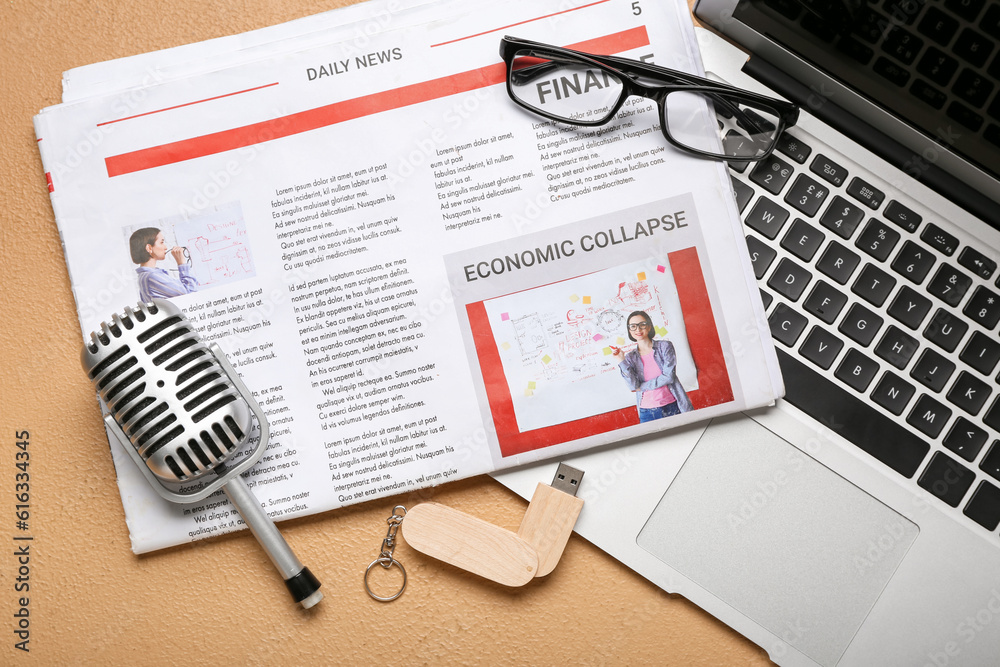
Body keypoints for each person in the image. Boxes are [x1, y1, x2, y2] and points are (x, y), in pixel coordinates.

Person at [612, 310, 692, 423]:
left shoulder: (665, 347)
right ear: (629, 330)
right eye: (633, 326)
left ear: (649, 326)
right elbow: (633, 386)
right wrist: (621, 360)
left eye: (642, 325)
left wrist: (643, 387)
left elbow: (668, 377)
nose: (638, 330)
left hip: (672, 406)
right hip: (647, 412)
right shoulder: (630, 357)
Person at [129, 227, 199, 303]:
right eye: (161, 242)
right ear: (149, 248)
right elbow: (191, 293)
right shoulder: (152, 277)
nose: (165, 247)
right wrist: (182, 263)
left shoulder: (144, 276)